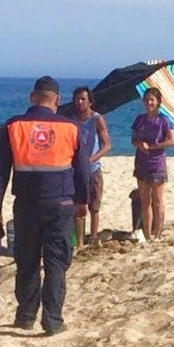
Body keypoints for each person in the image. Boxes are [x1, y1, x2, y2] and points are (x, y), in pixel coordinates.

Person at [0, 76, 90, 336]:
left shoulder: (13, 126)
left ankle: (25, 316)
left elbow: (0, 171)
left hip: (26, 205)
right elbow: (82, 170)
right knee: (56, 261)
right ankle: (53, 320)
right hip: (61, 204)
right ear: (57, 100)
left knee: (27, 260)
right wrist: (82, 201)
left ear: (32, 97)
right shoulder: (72, 127)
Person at [131, 87, 174, 241]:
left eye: (152, 100)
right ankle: (147, 234)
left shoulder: (164, 119)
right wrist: (139, 145)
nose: (149, 103)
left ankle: (158, 233)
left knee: (157, 200)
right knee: (144, 200)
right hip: (141, 162)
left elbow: (172, 141)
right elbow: (133, 140)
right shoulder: (139, 119)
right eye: (147, 100)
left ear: (158, 102)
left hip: (157, 162)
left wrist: (152, 146)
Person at [70, 86, 111, 250]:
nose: (79, 102)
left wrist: (90, 159)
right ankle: (79, 243)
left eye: (83, 99)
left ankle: (93, 239)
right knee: (78, 207)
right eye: (77, 99)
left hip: (93, 168)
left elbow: (107, 145)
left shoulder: (96, 119)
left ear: (90, 101)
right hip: (76, 171)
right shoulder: (71, 121)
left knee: (94, 206)